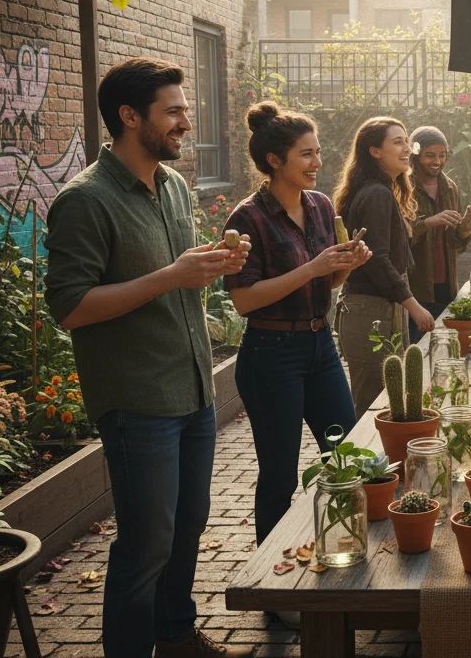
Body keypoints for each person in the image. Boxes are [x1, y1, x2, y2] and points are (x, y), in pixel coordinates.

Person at [45, 57, 252, 658]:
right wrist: (170, 275)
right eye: (175, 111)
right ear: (129, 116)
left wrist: (207, 266)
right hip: (138, 401)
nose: (187, 121)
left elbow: (174, 277)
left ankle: (176, 636)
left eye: (186, 110)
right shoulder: (85, 200)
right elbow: (70, 306)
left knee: (187, 528)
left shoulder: (174, 186)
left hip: (192, 390)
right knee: (145, 547)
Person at [223, 103, 372, 548]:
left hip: (320, 345)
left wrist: (345, 265)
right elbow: (244, 300)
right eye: (306, 154)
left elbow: (327, 280)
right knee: (279, 476)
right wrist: (312, 268)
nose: (317, 163)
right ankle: (272, 586)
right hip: (271, 355)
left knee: (346, 458)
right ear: (275, 160)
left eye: (318, 152)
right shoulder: (247, 218)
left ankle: (347, 546)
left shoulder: (322, 206)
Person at [333, 117, 436, 416]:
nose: (407, 148)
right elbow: (377, 260)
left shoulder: (380, 190)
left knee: (388, 405)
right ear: (374, 151)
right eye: (397, 142)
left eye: (407, 141)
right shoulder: (375, 193)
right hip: (370, 313)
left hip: (381, 309)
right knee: (371, 410)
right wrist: (414, 306)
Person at [407, 125, 471, 343]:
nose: (437, 161)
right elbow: (400, 238)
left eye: (442, 155)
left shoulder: (450, 188)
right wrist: (429, 222)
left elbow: (454, 244)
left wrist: (466, 224)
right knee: (418, 350)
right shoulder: (403, 187)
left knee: (446, 349)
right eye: (430, 155)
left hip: (445, 288)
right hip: (416, 290)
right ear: (415, 154)